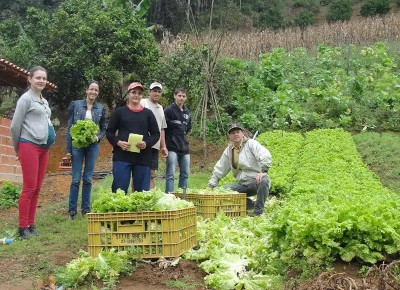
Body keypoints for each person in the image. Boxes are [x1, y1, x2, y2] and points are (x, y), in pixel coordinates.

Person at [10, 66, 56, 239]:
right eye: (38, 78)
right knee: (29, 187)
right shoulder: (25, 99)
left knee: (37, 188)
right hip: (28, 145)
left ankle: (31, 224)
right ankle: (23, 228)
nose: (41, 81)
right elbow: (15, 126)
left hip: (44, 148)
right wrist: (17, 147)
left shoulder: (44, 101)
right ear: (29, 79)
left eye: (44, 78)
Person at [106, 82, 160, 193]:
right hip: (122, 156)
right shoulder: (119, 112)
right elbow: (110, 132)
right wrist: (118, 142)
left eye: (139, 93)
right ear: (128, 94)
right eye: (133, 92)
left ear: (142, 96)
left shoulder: (148, 114)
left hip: (142, 158)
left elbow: (156, 134)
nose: (136, 95)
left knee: (141, 193)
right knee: (119, 191)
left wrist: (146, 143)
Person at [208, 124, 272, 216]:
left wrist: (263, 171)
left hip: (255, 182)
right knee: (223, 190)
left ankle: (258, 211)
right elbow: (220, 168)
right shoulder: (229, 150)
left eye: (238, 132)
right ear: (230, 136)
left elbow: (265, 155)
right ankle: (251, 204)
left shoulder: (251, 144)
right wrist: (211, 185)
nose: (236, 134)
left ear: (243, 134)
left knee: (264, 180)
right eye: (233, 133)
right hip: (242, 184)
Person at [66, 81, 106, 220]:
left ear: (98, 93)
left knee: (88, 179)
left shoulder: (100, 108)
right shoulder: (76, 105)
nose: (93, 92)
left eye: (96, 90)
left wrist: (98, 137)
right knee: (76, 178)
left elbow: (103, 129)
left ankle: (85, 209)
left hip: (93, 146)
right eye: (91, 89)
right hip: (78, 145)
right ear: (86, 90)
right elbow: (70, 127)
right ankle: (72, 211)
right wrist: (68, 149)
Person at [139, 82, 168, 189]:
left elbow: (162, 129)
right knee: (139, 173)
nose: (157, 93)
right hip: (142, 144)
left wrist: (163, 146)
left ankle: (151, 199)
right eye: (154, 91)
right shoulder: (143, 102)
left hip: (154, 146)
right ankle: (135, 197)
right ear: (149, 92)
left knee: (151, 173)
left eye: (159, 92)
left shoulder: (160, 108)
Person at [164, 88, 191, 193]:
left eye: (183, 96)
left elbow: (188, 129)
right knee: (170, 174)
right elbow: (163, 128)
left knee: (185, 174)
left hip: (184, 147)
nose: (181, 98)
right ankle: (169, 197)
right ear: (175, 96)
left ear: (186, 98)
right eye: (179, 95)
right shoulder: (169, 110)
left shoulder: (187, 112)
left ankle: (182, 197)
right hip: (171, 146)